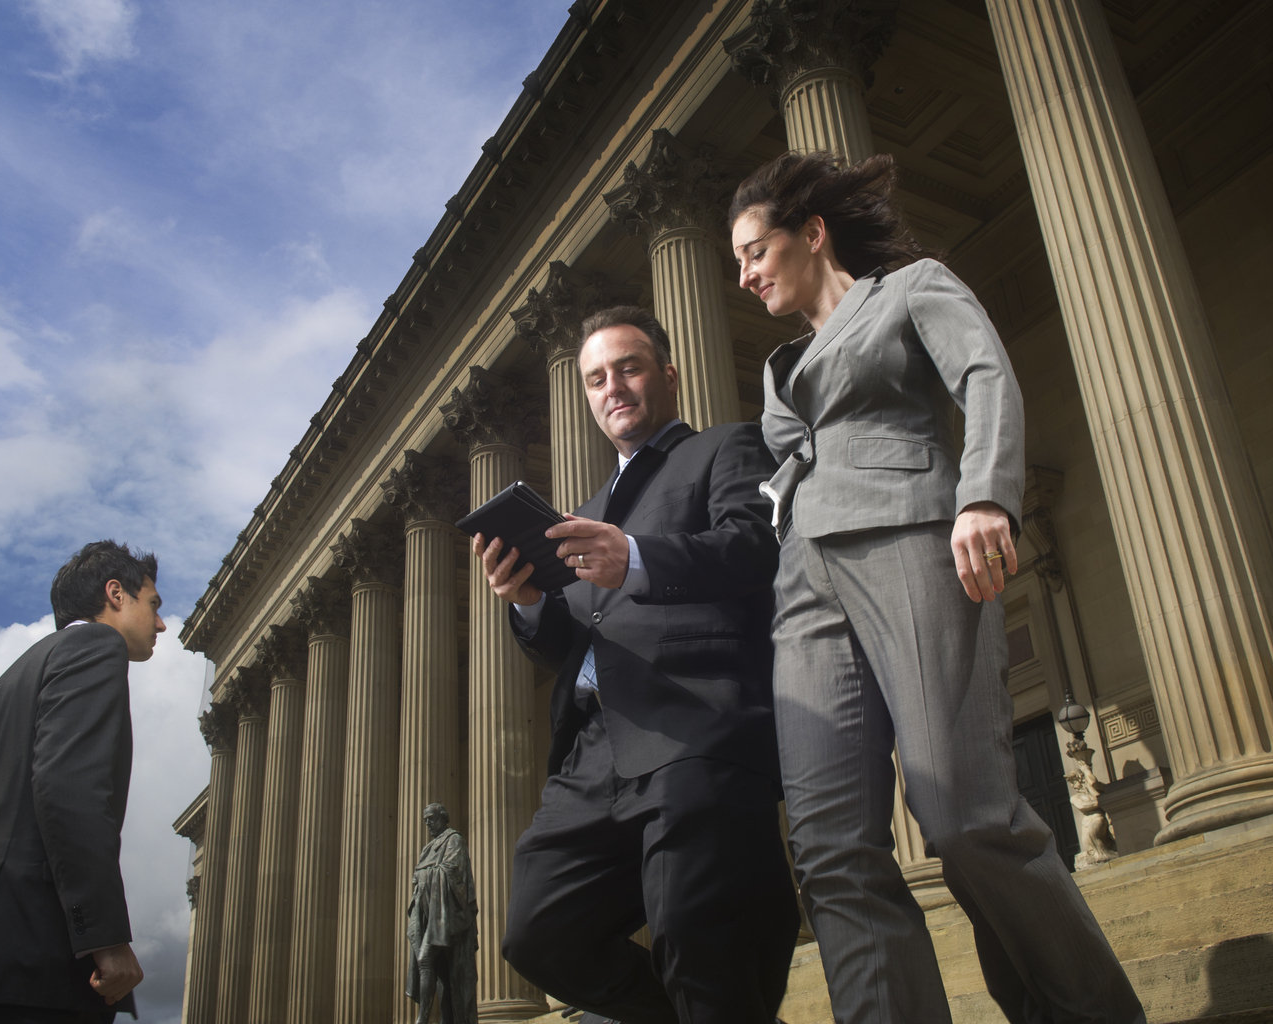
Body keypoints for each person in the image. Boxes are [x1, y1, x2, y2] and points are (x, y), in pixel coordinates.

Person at [729, 151, 1144, 1024]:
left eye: (754, 251)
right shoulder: (775, 369)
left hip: (911, 536)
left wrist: (986, 493)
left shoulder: (911, 287)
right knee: (832, 849)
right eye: (736, 263)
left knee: (962, 815)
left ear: (811, 233)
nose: (745, 274)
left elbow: (987, 377)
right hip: (805, 584)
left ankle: (1086, 1011)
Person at [472, 306, 799, 1024]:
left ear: (668, 375)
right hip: (591, 759)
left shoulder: (725, 450)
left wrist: (639, 557)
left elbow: (757, 547)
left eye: (629, 367)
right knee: (539, 932)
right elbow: (579, 639)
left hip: (693, 728)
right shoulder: (581, 513)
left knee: (696, 939)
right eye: (596, 379)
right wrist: (527, 603)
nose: (612, 387)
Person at [0, 540, 164, 1023]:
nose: (161, 624)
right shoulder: (97, 646)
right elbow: (69, 792)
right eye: (154, 605)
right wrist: (105, 938)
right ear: (116, 594)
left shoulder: (5, 686)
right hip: (27, 957)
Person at [405, 803, 478, 1024]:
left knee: (427, 959)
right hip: (432, 917)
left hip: (451, 918)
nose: (427, 823)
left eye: (431, 818)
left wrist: (425, 875)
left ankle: (422, 1019)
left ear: (443, 817)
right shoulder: (427, 849)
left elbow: (452, 871)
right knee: (430, 964)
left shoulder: (454, 839)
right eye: (425, 819)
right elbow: (417, 879)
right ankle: (426, 1018)